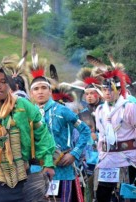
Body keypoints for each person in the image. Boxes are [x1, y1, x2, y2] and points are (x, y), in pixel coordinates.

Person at [0, 66, 55, 202]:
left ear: (9, 84)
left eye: (3, 82)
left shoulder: (24, 106)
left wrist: (48, 163)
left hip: (22, 178)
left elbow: (42, 134)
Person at [89, 56, 136, 202]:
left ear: (119, 90)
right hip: (107, 159)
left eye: (111, 90)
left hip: (127, 158)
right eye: (104, 89)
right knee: (102, 195)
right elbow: (102, 136)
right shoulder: (100, 110)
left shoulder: (128, 108)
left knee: (128, 196)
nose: (107, 93)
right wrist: (101, 155)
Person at [29, 63, 91, 201]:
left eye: (44, 88)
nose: (40, 92)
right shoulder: (28, 114)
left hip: (62, 169)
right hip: (36, 171)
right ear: (31, 93)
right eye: (36, 89)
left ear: (50, 91)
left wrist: (74, 154)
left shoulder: (63, 110)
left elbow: (85, 131)